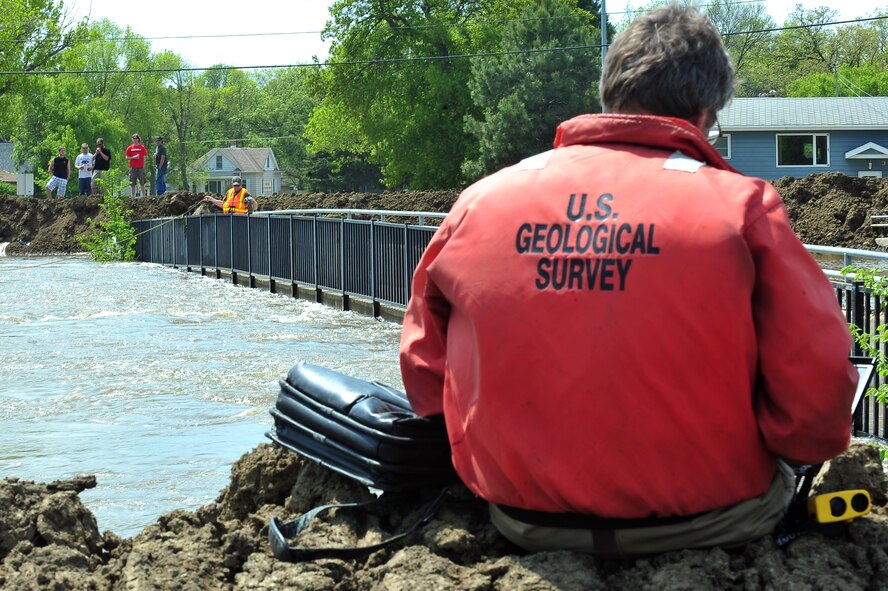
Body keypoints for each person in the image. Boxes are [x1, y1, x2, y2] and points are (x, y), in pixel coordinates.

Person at [399, 4, 858, 558]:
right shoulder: (741, 207)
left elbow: (424, 367)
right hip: (712, 519)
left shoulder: (479, 201)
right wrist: (799, 448)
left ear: (610, 93)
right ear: (706, 109)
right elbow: (816, 381)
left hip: (520, 518)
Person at [125, 133, 148, 198]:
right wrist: (133, 157)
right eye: (134, 138)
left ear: (138, 139)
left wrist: (144, 166)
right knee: (132, 183)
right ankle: (133, 196)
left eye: (136, 138)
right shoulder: (130, 148)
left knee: (142, 182)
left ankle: (143, 196)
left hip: (140, 167)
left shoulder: (142, 147)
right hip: (133, 167)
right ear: (132, 139)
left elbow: (144, 157)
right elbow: (126, 157)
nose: (135, 140)